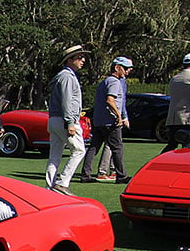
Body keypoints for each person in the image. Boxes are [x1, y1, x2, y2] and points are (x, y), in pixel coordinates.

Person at [80, 56, 133, 184]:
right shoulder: (114, 82)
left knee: (93, 147)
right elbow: (110, 100)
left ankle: (85, 175)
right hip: (111, 122)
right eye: (125, 68)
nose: (127, 71)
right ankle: (121, 176)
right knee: (117, 148)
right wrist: (119, 116)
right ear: (117, 67)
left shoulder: (104, 81)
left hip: (99, 121)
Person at [45, 45, 87, 194]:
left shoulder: (63, 76)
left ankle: (50, 188)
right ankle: (62, 182)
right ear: (70, 60)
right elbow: (67, 101)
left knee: (55, 155)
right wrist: (70, 122)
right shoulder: (67, 77)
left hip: (54, 119)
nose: (82, 60)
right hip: (64, 120)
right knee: (79, 150)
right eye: (79, 57)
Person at [163, 52, 190, 153]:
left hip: (173, 119)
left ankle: (160, 163)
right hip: (187, 119)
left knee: (171, 145)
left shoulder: (174, 79)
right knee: (187, 147)